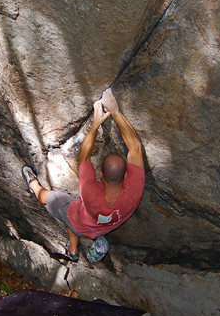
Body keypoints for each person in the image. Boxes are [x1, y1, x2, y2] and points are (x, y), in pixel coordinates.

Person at [22, 88, 145, 263]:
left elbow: (84, 157)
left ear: (100, 174)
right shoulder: (133, 193)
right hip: (100, 229)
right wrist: (116, 112)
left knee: (51, 199)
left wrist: (95, 124)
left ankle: (33, 184)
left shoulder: (90, 192)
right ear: (127, 175)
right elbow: (136, 148)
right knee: (75, 218)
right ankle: (73, 251)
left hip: (78, 216)